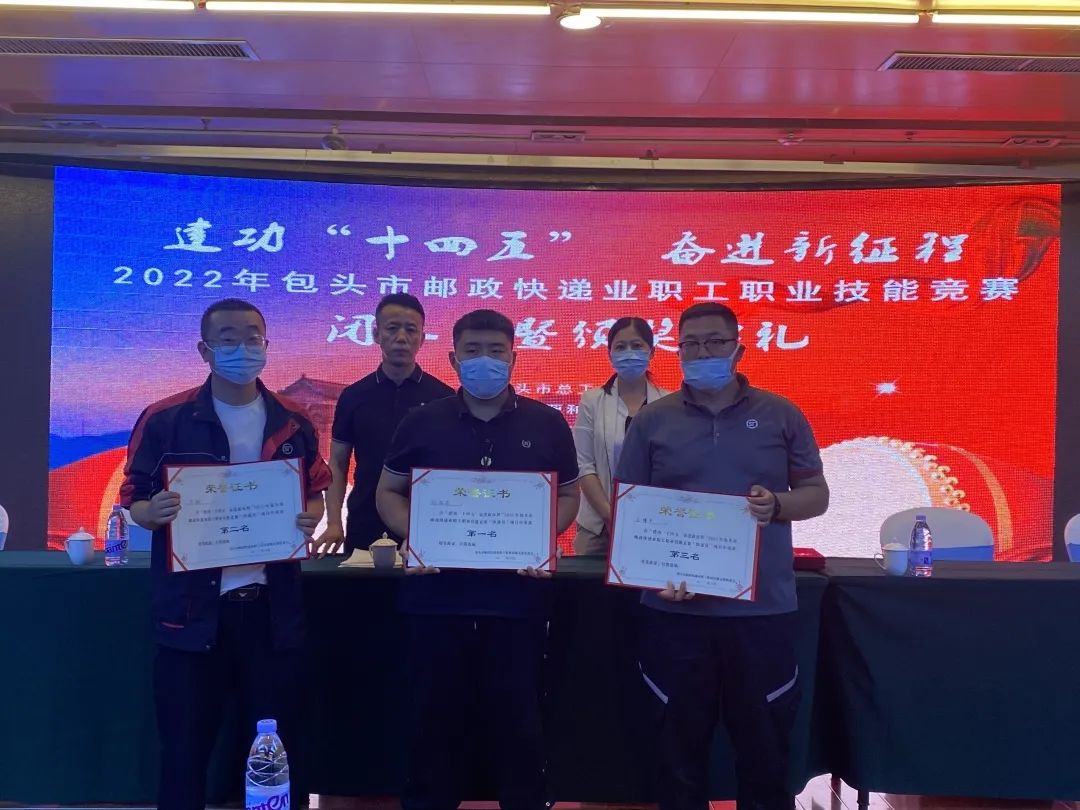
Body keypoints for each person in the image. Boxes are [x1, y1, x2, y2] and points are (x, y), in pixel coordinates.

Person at [615, 302, 829, 810]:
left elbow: (817, 494)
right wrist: (650, 574)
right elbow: (631, 506)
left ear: (739, 349)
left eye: (714, 341)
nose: (702, 352)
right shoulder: (652, 420)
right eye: (690, 343)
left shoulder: (780, 414)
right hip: (674, 612)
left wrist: (777, 505)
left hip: (761, 612)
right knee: (677, 755)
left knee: (765, 753)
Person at [120, 298, 331, 810]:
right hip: (191, 613)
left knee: (275, 753)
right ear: (205, 349)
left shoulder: (293, 418)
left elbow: (314, 492)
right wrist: (153, 511)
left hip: (271, 613)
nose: (243, 348)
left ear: (267, 344)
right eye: (229, 338)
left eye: (253, 337)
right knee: (185, 752)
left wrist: (309, 516)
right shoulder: (165, 418)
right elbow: (134, 499)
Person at [375, 308, 580, 810]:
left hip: (517, 601)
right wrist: (415, 536)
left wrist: (544, 537)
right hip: (435, 599)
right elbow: (388, 492)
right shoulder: (422, 421)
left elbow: (568, 495)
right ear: (452, 359)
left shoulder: (547, 422)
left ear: (513, 358)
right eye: (472, 351)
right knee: (432, 723)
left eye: (495, 351)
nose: (484, 360)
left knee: (519, 724)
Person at [315, 293, 453, 554]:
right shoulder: (354, 396)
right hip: (364, 520)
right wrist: (333, 522)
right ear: (376, 334)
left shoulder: (444, 398)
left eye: (411, 330)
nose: (401, 337)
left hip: (426, 523)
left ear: (422, 338)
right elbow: (338, 463)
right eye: (392, 328)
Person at [573, 317, 671, 555]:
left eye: (637, 346)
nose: (629, 353)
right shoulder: (592, 401)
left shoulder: (670, 403)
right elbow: (584, 466)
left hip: (654, 525)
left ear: (652, 352)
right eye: (620, 347)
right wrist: (611, 516)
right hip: (598, 528)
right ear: (610, 354)